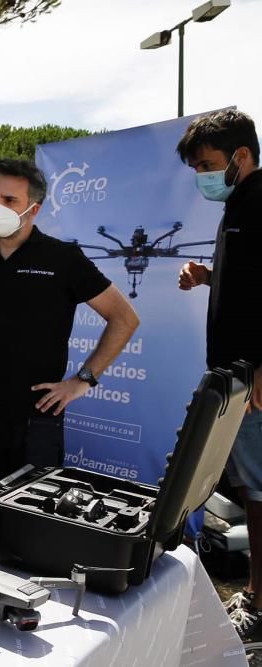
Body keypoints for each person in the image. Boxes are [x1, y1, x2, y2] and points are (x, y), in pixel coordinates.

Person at [0, 159, 139, 491]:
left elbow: (125, 318)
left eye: (9, 200)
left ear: (34, 209)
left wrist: (82, 380)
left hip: (36, 419)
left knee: (31, 519)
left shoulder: (62, 259)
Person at [174, 109, 262, 640]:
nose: (202, 176)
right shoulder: (240, 206)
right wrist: (212, 277)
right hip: (241, 376)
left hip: (254, 381)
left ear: (242, 156)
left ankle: (257, 602)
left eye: (207, 165)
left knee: (259, 495)